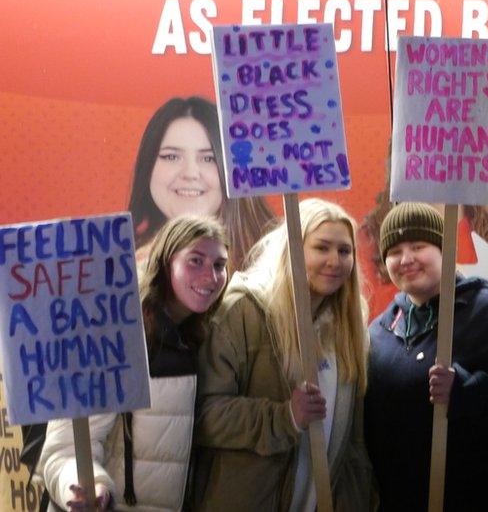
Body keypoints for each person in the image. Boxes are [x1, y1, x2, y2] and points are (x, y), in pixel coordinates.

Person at [364, 202, 488, 511]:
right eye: (394, 251)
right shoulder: (379, 332)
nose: (406, 259)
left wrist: (473, 391)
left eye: (418, 245)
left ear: (446, 250)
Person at [38, 215, 230, 511]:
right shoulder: (115, 335)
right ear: (166, 264)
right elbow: (64, 450)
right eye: (195, 261)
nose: (212, 275)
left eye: (219, 265)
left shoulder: (203, 338)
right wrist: (91, 489)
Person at [194, 198, 371, 511]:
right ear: (293, 249)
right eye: (322, 247)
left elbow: (353, 442)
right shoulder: (244, 311)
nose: (335, 261)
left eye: (344, 251)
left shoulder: (350, 328)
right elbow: (205, 415)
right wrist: (285, 417)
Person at [127, 96, 276, 271]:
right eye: (171, 157)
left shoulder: (279, 254)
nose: (190, 173)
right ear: (147, 166)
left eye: (208, 158)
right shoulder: (125, 264)